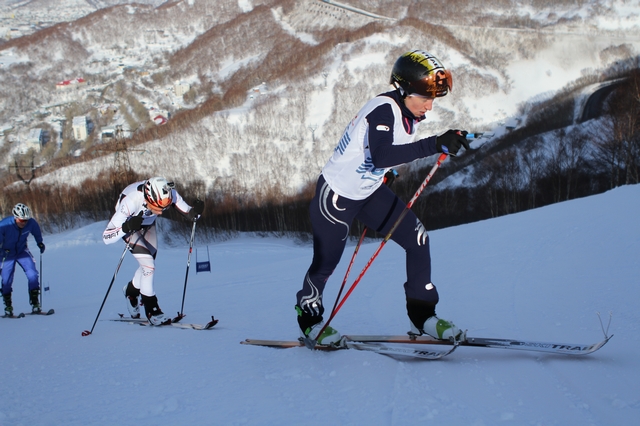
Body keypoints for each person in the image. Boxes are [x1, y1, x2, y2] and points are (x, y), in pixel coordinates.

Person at [295, 50, 471, 345]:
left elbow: (377, 155)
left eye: (433, 99)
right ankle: (310, 319)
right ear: (403, 90)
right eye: (424, 98)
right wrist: (435, 143)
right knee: (326, 263)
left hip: (368, 191)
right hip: (336, 196)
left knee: (417, 239)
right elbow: (380, 154)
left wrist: (384, 172)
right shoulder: (383, 109)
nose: (429, 106)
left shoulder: (408, 113)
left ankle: (423, 316)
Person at [102, 177, 204, 325]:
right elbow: (106, 237)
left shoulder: (169, 193)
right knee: (149, 265)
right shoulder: (130, 202)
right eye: (157, 208)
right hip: (129, 226)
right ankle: (152, 310)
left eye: (164, 208)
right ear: (148, 198)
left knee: (147, 266)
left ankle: (130, 292)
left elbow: (191, 215)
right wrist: (127, 227)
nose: (161, 213)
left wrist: (197, 212)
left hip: (147, 224)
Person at [0, 203, 46, 316]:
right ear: (15, 218)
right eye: (21, 220)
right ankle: (8, 307)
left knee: (33, 275)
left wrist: (39, 242)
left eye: (26, 220)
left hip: (22, 251)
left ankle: (35, 304)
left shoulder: (31, 223)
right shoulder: (5, 225)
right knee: (6, 280)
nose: (24, 223)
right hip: (7, 253)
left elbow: (36, 232)